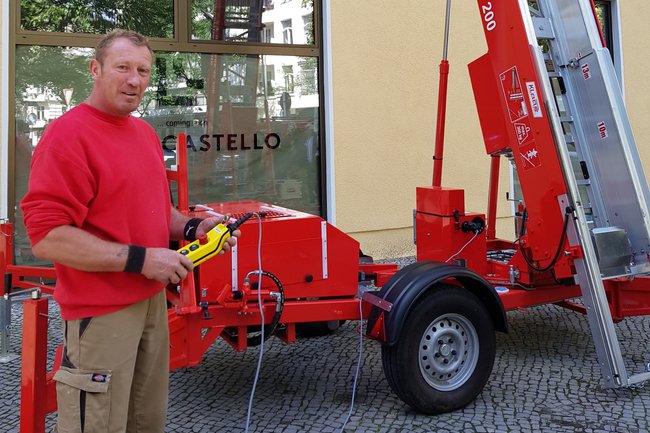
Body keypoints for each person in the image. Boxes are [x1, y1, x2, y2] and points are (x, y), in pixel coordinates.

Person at [20, 29, 238, 433]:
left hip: (152, 305)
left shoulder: (143, 134)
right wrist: (143, 259)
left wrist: (193, 227)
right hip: (100, 313)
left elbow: (157, 213)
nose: (134, 79)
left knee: (146, 422)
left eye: (143, 70)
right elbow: (47, 236)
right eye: (122, 67)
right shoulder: (67, 136)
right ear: (95, 69)